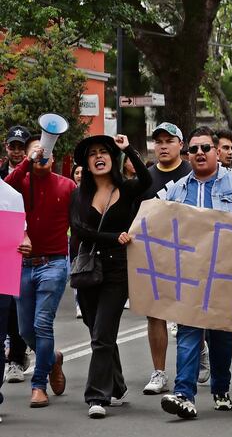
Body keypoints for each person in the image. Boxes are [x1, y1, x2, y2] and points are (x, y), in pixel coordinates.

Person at [160, 127, 232, 419]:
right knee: (188, 331)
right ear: (187, 155)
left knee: (220, 335)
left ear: (217, 151)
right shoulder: (178, 189)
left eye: (206, 147)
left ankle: (220, 390)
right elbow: (162, 228)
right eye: (193, 150)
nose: (200, 153)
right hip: (190, 274)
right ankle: (184, 394)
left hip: (226, 274)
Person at [69, 134, 151, 418]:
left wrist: (128, 149)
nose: (98, 157)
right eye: (92, 154)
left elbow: (147, 181)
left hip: (118, 270)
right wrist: (114, 236)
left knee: (103, 333)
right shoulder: (78, 194)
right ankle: (116, 384)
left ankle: (97, 397)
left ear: (112, 158)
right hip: (89, 268)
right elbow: (81, 231)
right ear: (86, 163)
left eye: (104, 152)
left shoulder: (126, 189)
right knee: (97, 332)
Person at [5, 134, 76, 408]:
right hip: (22, 264)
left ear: (54, 157)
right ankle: (54, 358)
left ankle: (39, 385)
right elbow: (4, 188)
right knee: (24, 331)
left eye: (46, 151)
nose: (42, 154)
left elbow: (78, 221)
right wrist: (26, 162)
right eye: (37, 150)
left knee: (42, 324)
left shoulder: (67, 186)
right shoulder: (20, 182)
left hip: (54, 263)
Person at [140, 121, 191, 396]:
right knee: (155, 313)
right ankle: (159, 372)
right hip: (157, 255)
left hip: (191, 254)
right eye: (158, 141)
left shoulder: (193, 174)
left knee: (194, 316)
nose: (163, 146)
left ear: (180, 145)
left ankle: (201, 350)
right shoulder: (145, 178)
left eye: (169, 141)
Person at [2, 125, 31, 385]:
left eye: (22, 146)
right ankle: (11, 358)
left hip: (25, 246)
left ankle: (17, 357)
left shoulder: (37, 171)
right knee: (8, 307)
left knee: (18, 309)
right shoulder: (4, 176)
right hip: (7, 247)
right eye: (13, 146)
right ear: (6, 148)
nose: (17, 151)